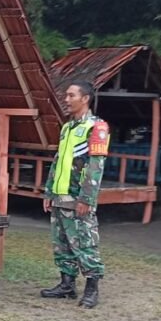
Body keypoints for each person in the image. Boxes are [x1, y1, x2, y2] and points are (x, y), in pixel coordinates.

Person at [41, 80, 109, 309]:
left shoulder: (97, 127)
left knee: (85, 241)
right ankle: (67, 284)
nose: (66, 100)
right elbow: (58, 161)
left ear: (85, 98)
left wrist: (86, 199)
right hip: (60, 195)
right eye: (66, 96)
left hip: (78, 197)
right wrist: (49, 192)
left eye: (71, 95)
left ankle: (92, 288)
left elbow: (95, 167)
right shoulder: (67, 127)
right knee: (61, 242)